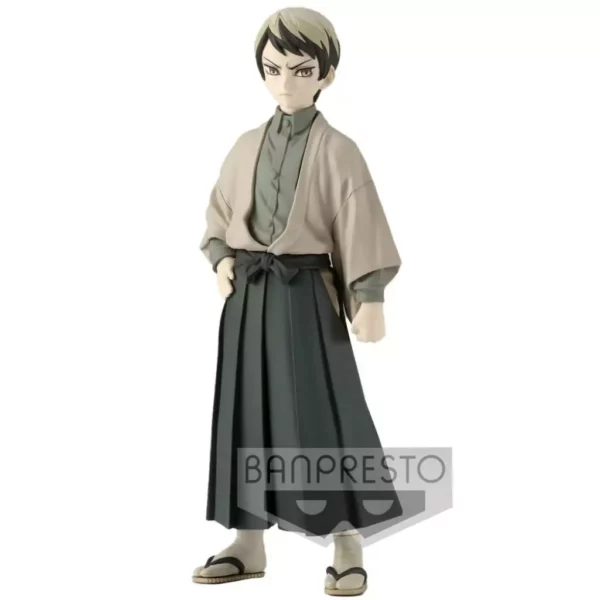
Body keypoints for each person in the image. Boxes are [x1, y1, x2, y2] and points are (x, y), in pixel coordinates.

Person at [193, 7, 403, 596]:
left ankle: (346, 538)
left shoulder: (339, 150)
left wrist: (368, 294)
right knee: (245, 415)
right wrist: (221, 256)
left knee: (322, 416)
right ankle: (248, 538)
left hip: (307, 295)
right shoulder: (245, 145)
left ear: (326, 74)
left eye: (301, 69)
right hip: (247, 299)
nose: (285, 82)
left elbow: (360, 218)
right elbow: (219, 214)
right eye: (273, 68)